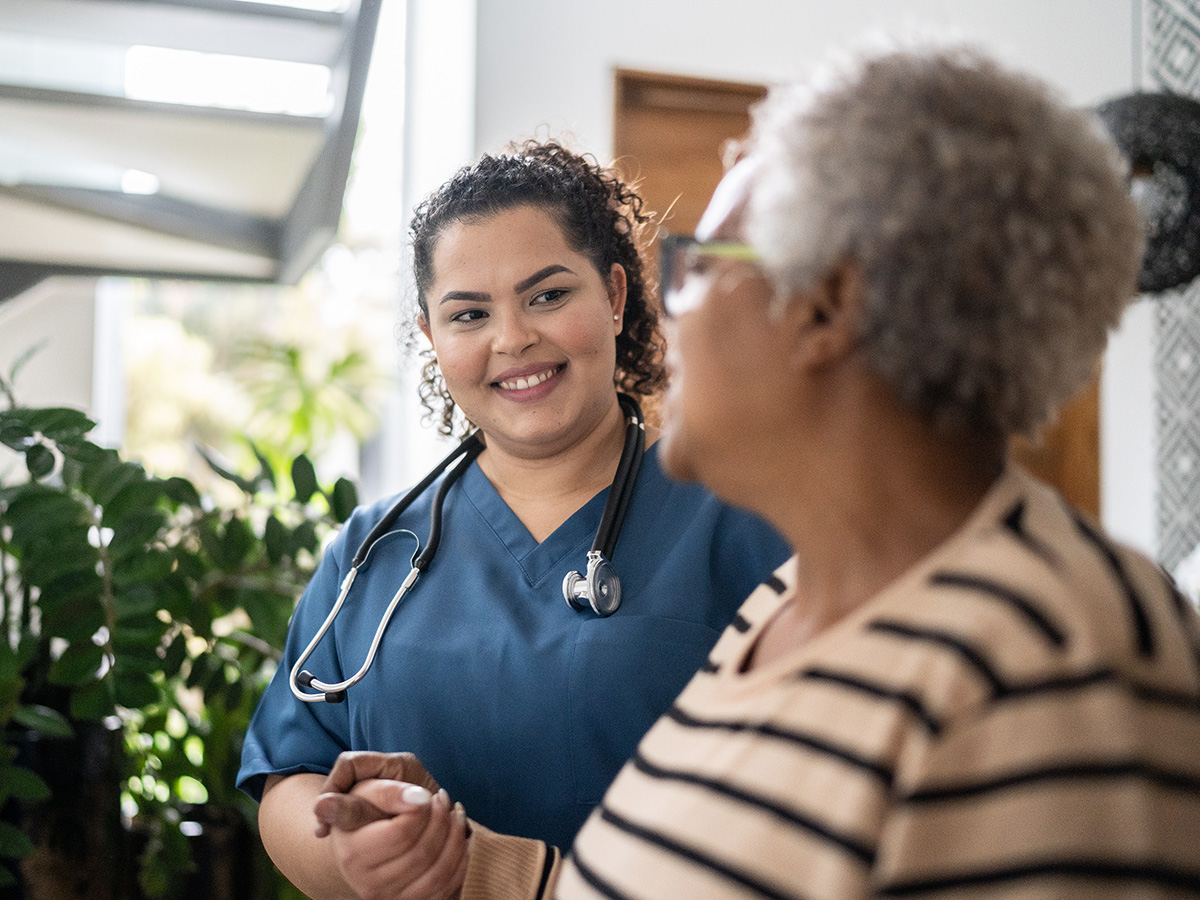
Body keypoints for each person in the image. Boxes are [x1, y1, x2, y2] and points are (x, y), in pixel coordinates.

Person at [312, 41, 1200, 900]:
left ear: (827, 307)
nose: (673, 307)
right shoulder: (784, 615)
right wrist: (453, 858)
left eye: (701, 267)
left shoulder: (1049, 653)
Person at [236, 140, 790, 900]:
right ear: (432, 339)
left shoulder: (745, 525)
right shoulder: (374, 549)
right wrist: (375, 860)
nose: (512, 339)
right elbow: (289, 778)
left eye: (548, 296)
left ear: (617, 295)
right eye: (468, 314)